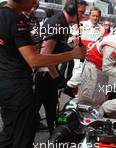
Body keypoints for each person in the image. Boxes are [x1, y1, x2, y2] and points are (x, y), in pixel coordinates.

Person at [0, 0, 85, 148]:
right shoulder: (18, 20)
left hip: (5, 84)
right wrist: (72, 54)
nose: (36, 2)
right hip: (19, 87)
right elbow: (35, 59)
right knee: (22, 142)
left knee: (8, 135)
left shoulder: (3, 14)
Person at [34, 0, 88, 135]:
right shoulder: (56, 23)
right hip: (42, 76)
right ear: (70, 9)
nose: (82, 16)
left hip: (49, 75)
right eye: (81, 12)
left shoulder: (64, 24)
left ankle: (56, 146)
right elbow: (45, 55)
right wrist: (57, 78)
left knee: (53, 114)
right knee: (31, 117)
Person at [64, 7, 105, 97]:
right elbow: (70, 39)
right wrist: (74, 44)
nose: (95, 18)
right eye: (93, 15)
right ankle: (69, 89)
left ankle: (82, 98)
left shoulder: (102, 29)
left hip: (93, 57)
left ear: (100, 17)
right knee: (79, 74)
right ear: (89, 15)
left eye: (97, 16)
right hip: (80, 55)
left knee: (90, 80)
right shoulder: (81, 25)